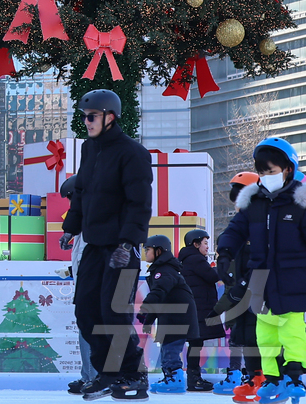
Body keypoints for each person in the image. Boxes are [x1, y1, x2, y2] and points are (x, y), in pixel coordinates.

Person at [217, 138, 306, 404]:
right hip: (261, 279)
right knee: (265, 332)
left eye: (271, 172)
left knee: (291, 328)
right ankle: (273, 378)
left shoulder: (302, 203)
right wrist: (225, 251)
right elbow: (235, 229)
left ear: (287, 169)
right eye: (262, 173)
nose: (265, 177)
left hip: (294, 277)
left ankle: (294, 376)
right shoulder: (254, 202)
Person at [61, 89, 152, 401]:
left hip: (121, 248)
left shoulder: (132, 153)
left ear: (110, 117)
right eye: (84, 116)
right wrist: (70, 228)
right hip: (95, 245)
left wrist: (128, 243)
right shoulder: (90, 150)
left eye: (91, 116)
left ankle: (133, 374)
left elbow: (139, 204)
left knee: (113, 313)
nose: (86, 122)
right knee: (86, 310)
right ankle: (107, 372)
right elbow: (82, 194)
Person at [213, 172, 261, 396]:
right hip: (240, 294)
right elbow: (229, 241)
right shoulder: (241, 224)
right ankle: (254, 377)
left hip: (259, 293)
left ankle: (268, 378)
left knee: (259, 336)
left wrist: (243, 284)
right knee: (243, 335)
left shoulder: (262, 223)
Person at [138, 235, 198, 394]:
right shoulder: (161, 269)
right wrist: (148, 321)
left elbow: (159, 292)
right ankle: (170, 378)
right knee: (167, 347)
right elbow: (159, 298)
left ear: (159, 251)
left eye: (148, 249)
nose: (146, 253)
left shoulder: (165, 270)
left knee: (171, 349)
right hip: (172, 316)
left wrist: (144, 310)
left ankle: (175, 380)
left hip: (178, 317)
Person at [59, 175, 96, 396]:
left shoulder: (92, 229)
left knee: (89, 331)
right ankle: (88, 375)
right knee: (86, 331)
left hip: (91, 289)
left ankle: (92, 377)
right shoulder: (82, 233)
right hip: (84, 287)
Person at [176, 229, 221, 391]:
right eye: (205, 243)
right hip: (199, 308)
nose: (207, 246)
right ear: (195, 244)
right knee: (196, 343)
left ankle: (194, 377)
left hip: (195, 307)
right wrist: (221, 266)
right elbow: (212, 276)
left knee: (196, 343)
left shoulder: (188, 259)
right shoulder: (196, 259)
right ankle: (194, 379)